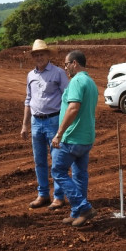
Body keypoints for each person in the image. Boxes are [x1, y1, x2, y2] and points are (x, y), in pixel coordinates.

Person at [51, 50, 99, 228]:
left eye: (66, 64)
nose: (65, 68)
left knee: (58, 172)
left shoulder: (77, 81)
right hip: (86, 138)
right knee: (79, 175)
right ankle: (76, 213)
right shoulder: (90, 82)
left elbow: (73, 108)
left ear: (74, 63)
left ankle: (83, 207)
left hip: (72, 138)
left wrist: (59, 133)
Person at [21, 39, 70, 210]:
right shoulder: (30, 75)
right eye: (36, 55)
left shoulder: (58, 73)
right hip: (36, 122)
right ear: (33, 57)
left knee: (57, 161)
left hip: (53, 120)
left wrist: (65, 123)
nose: (39, 57)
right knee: (39, 160)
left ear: (48, 55)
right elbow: (28, 100)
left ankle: (58, 197)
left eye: (42, 54)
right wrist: (25, 125)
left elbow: (68, 98)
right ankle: (43, 194)